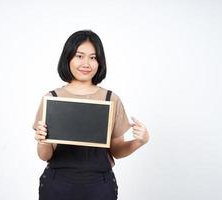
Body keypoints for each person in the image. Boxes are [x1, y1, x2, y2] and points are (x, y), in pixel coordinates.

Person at [33, 30, 149, 200]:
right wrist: (42, 141)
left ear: (99, 62)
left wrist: (139, 141)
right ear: (68, 58)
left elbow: (116, 150)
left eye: (93, 57)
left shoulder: (111, 99)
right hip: (58, 185)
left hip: (99, 187)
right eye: (79, 56)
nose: (86, 63)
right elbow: (45, 156)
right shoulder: (52, 98)